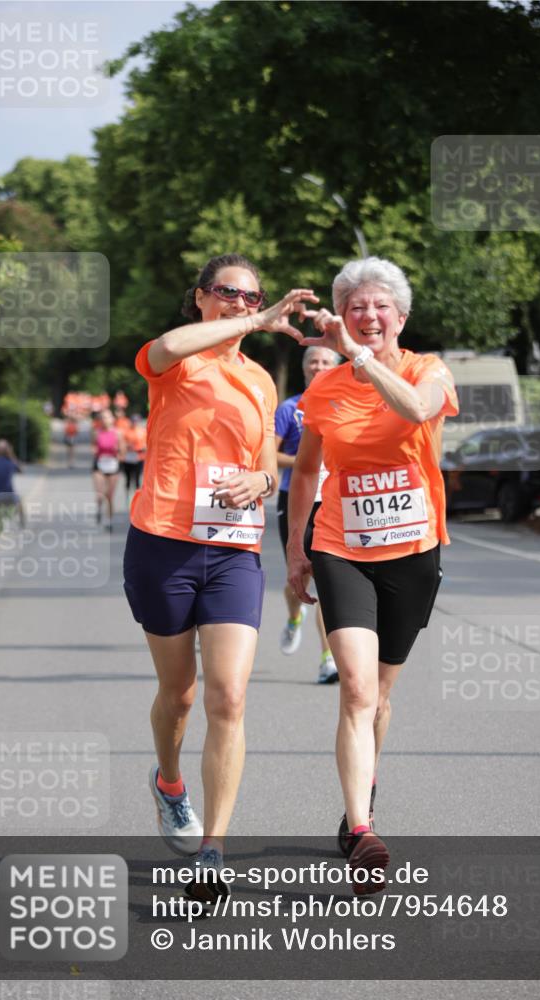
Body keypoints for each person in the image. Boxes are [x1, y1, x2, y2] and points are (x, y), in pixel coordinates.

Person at [122, 253, 317, 899]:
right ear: (201, 296)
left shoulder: (260, 380)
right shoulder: (176, 360)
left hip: (232, 550)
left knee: (228, 697)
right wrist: (256, 321)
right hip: (163, 544)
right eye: (229, 292)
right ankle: (169, 783)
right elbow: (167, 346)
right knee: (178, 695)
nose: (241, 302)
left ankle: (213, 850)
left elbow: (266, 466)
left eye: (252, 296)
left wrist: (259, 481)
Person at [287, 257, 458, 895]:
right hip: (342, 547)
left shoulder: (427, 370)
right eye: (355, 306)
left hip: (413, 551)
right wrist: (296, 547)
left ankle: (367, 785)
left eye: (381, 305)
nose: (368, 315)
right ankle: (361, 831)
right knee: (356, 691)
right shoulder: (324, 391)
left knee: (381, 698)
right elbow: (307, 470)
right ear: (342, 315)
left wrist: (359, 357)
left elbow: (415, 411)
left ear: (401, 318)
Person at [275, 346, 340, 683]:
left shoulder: (344, 404)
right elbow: (269, 454)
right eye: (313, 361)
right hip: (296, 499)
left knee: (328, 581)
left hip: (332, 500)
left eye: (326, 361)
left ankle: (328, 659)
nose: (319, 366)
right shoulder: (290, 408)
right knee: (299, 577)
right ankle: (294, 616)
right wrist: (306, 462)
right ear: (304, 368)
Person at [92, 410, 125, 529]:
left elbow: (123, 452)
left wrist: (118, 452)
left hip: (113, 465)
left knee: (110, 496)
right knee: (100, 494)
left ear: (112, 419)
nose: (105, 420)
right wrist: (95, 451)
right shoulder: (96, 433)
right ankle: (99, 508)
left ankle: (109, 521)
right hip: (99, 465)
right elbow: (93, 447)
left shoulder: (118, 433)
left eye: (107, 417)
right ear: (100, 420)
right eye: (103, 418)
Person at [122, 414, 147, 498]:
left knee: (137, 478)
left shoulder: (143, 431)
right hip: (128, 458)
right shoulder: (126, 432)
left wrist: (142, 448)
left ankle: (137, 497)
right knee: (128, 478)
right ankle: (127, 497)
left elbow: (146, 444)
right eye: (133, 421)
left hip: (139, 457)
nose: (135, 423)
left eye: (136, 421)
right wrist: (127, 447)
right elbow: (122, 444)